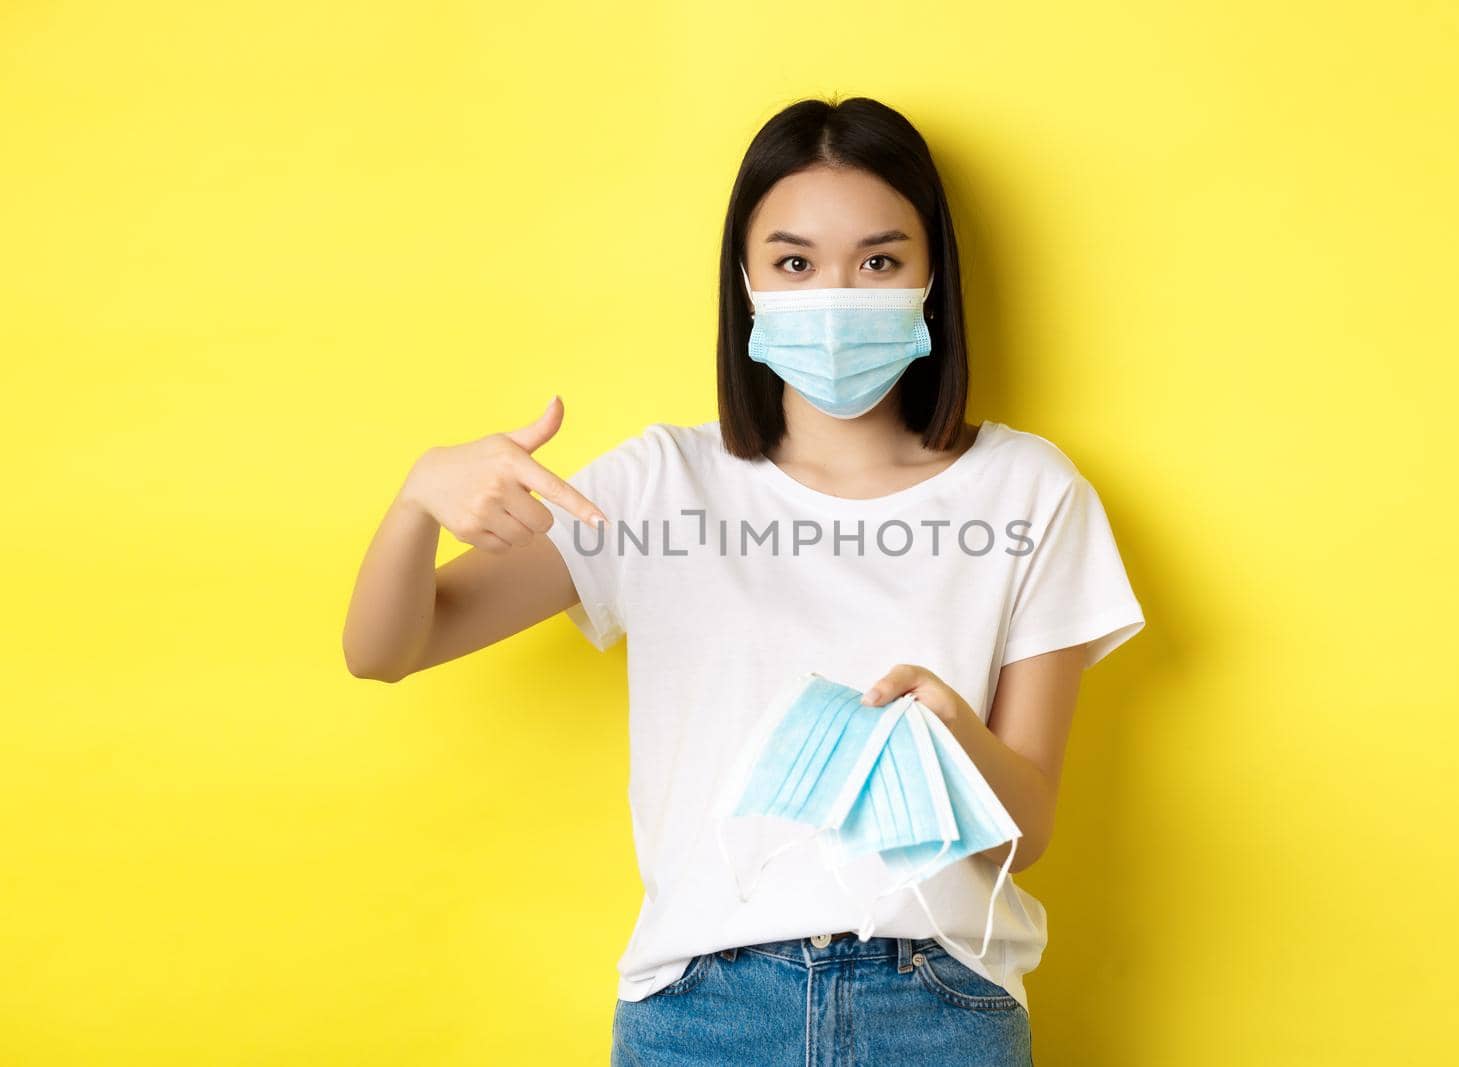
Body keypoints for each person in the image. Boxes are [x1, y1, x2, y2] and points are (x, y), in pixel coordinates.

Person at [343, 95, 1145, 1066]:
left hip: (937, 1008)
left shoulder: (1029, 489)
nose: (835, 295)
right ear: (747, 282)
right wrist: (415, 504)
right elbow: (387, 648)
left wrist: (952, 734)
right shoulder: (656, 485)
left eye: (879, 260)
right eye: (795, 262)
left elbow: (1028, 832)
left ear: (932, 277)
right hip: (702, 1012)